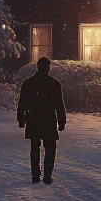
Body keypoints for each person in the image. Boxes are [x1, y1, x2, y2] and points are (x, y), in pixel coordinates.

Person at [17, 56, 67, 184]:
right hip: (48, 120)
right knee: (50, 149)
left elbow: (22, 103)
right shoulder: (54, 84)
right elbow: (59, 104)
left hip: (33, 120)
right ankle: (47, 176)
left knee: (35, 148)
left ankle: (35, 175)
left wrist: (21, 119)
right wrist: (61, 121)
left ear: (37, 67)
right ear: (48, 68)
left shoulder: (28, 83)